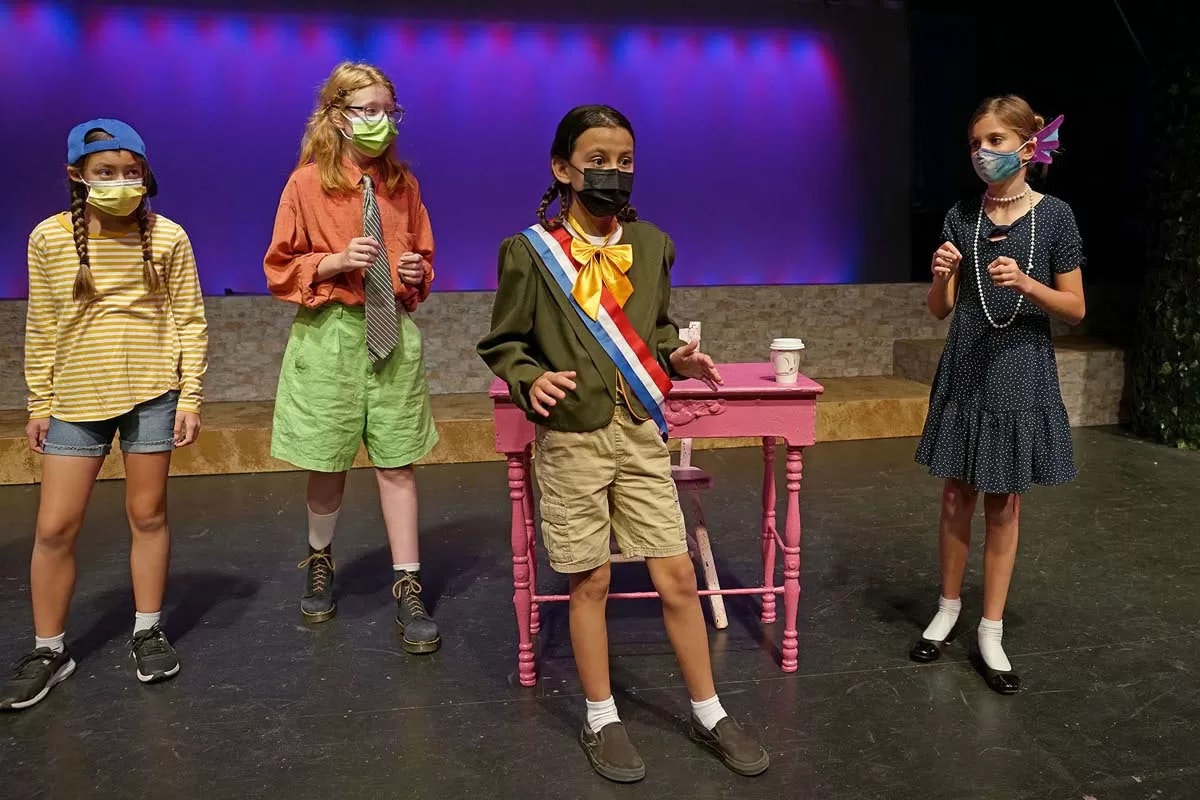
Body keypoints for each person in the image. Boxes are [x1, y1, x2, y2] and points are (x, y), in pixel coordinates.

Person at [477, 104, 769, 781]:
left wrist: (680, 358)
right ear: (563, 168)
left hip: (638, 432)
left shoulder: (653, 245)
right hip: (574, 438)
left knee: (676, 574)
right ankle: (601, 716)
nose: (613, 172)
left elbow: (657, 334)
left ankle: (708, 708)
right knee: (591, 580)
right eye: (598, 160)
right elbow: (504, 343)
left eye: (625, 161)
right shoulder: (530, 252)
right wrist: (530, 378)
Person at [1, 119, 208, 710]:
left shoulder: (169, 236)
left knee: (148, 514)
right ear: (77, 175)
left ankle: (147, 629)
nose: (120, 182)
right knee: (53, 527)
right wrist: (39, 401)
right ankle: (49, 649)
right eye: (105, 173)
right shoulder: (49, 238)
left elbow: (189, 319)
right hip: (76, 397)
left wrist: (189, 395)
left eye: (130, 172)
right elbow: (41, 324)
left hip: (152, 392)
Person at [263, 61, 441, 654]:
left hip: (391, 332)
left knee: (397, 462)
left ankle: (407, 582)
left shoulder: (402, 184)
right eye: (367, 110)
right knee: (328, 459)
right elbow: (279, 267)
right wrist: (332, 263)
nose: (380, 122)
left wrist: (416, 272)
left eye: (389, 111)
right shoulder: (306, 184)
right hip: (331, 332)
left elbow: (421, 261)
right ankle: (319, 559)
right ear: (338, 116)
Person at [910, 95, 1085, 694]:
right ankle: (949, 607)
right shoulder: (962, 214)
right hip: (966, 366)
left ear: (1027, 146)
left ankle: (991, 627)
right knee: (956, 494)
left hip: (1019, 369)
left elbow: (1077, 308)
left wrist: (1029, 284)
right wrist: (939, 276)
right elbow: (940, 310)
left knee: (1003, 503)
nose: (982, 153)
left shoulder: (1055, 217)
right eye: (975, 143)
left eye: (994, 141)